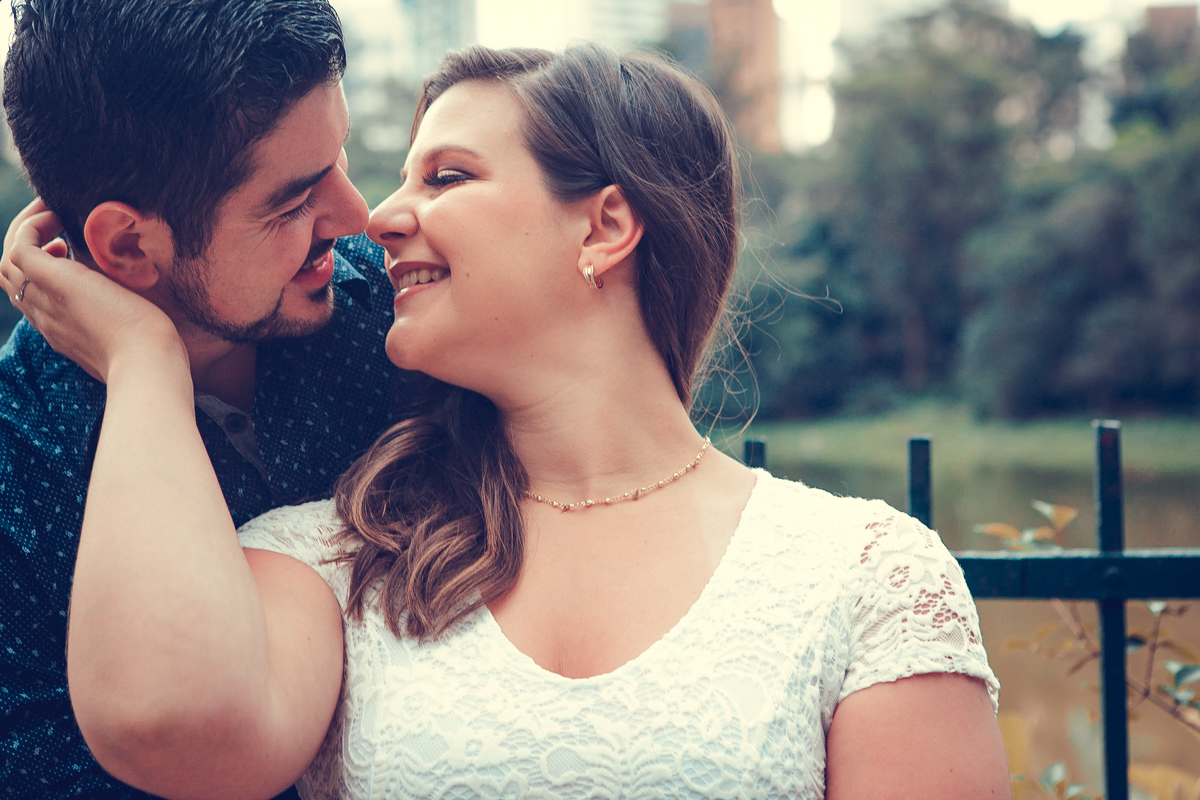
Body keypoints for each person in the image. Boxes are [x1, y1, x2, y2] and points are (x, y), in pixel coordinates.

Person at [4, 45, 1012, 799]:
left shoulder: (867, 573)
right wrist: (143, 361)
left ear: (604, 225)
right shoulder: (325, 560)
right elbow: (171, 727)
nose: (373, 218)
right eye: (396, 180)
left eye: (444, 176)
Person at [0, 1, 401, 797]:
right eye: (292, 202)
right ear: (129, 245)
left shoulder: (400, 311)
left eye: (341, 156)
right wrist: (143, 361)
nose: (358, 215)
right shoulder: (18, 466)